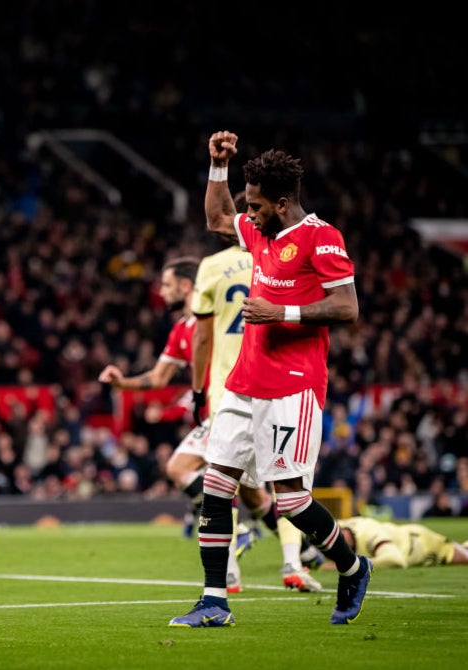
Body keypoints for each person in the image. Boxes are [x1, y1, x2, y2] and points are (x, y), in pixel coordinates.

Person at [168, 130, 371, 628]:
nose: (249, 213)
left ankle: (351, 565)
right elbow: (217, 217)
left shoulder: (322, 237)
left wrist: (282, 311)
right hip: (244, 382)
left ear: (283, 203)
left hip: (295, 386)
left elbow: (347, 308)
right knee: (217, 485)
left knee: (292, 502)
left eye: (256, 205)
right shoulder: (258, 230)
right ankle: (214, 600)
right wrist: (218, 166)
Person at [97, 256, 247, 589]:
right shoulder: (182, 330)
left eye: (166, 285)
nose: (161, 292)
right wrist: (122, 384)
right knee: (246, 494)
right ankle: (293, 555)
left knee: (265, 496)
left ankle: (290, 551)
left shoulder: (221, 319)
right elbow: (159, 376)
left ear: (185, 286)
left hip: (238, 407)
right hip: (214, 415)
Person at [190, 228, 323, 594]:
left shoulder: (212, 266)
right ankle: (293, 562)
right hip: (275, 378)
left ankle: (228, 572)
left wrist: (198, 390)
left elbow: (201, 336)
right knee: (285, 482)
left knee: (223, 478)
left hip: (228, 385)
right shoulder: (277, 261)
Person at [337, 516, 468, 568]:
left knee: (459, 556)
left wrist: (352, 565)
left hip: (420, 543)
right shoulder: (339, 526)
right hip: (407, 533)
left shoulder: (371, 536)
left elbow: (396, 560)